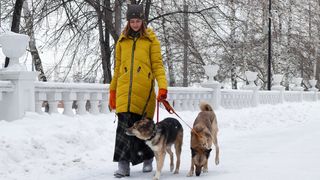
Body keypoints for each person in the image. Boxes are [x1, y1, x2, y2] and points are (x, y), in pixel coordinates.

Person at [108, 4, 168, 178]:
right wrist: (112, 91)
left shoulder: (151, 40)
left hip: (144, 92)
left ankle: (148, 158)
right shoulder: (122, 40)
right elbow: (118, 68)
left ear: (143, 21)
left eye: (138, 20)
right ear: (128, 21)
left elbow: (157, 65)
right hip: (124, 92)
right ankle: (123, 166)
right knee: (123, 131)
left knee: (145, 129)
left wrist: (162, 87)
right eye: (132, 21)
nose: (135, 24)